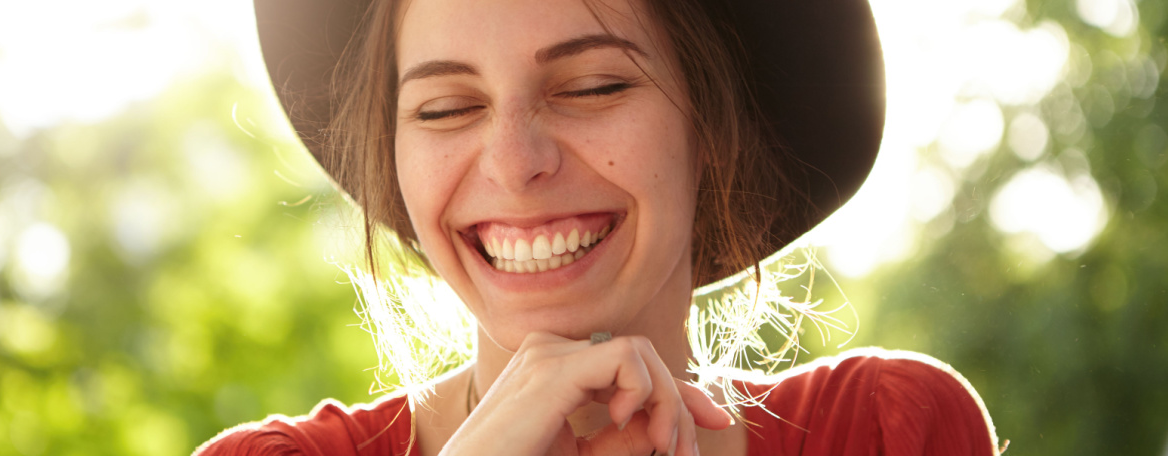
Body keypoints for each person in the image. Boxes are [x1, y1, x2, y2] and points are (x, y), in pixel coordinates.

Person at [197, 0, 1003, 454]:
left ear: (713, 131)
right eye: (447, 108)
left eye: (592, 87)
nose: (514, 163)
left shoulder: (889, 433)